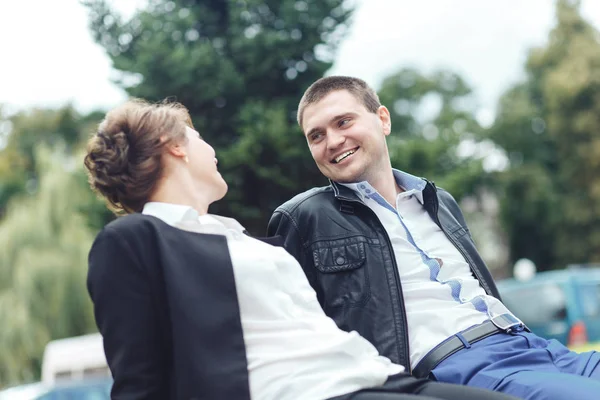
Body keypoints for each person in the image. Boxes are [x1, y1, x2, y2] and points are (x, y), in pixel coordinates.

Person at [83, 99, 517, 400]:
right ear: (174, 145)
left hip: (375, 377)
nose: (211, 150)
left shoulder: (236, 237)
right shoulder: (135, 240)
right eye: (198, 138)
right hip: (308, 391)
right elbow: (138, 381)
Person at [267, 76, 600, 400]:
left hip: (531, 343)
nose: (333, 140)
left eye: (343, 122)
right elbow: (288, 331)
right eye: (316, 136)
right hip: (459, 366)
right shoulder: (303, 218)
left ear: (383, 119)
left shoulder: (438, 201)